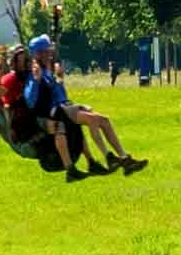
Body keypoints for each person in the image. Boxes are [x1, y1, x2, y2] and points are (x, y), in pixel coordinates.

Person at [21, 33, 141, 179]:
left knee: (104, 120)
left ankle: (123, 157)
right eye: (47, 51)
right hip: (56, 112)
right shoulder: (35, 73)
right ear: (39, 54)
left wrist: (59, 79)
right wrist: (36, 80)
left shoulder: (48, 69)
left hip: (65, 106)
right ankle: (108, 157)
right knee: (92, 120)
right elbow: (31, 100)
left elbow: (59, 93)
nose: (50, 53)